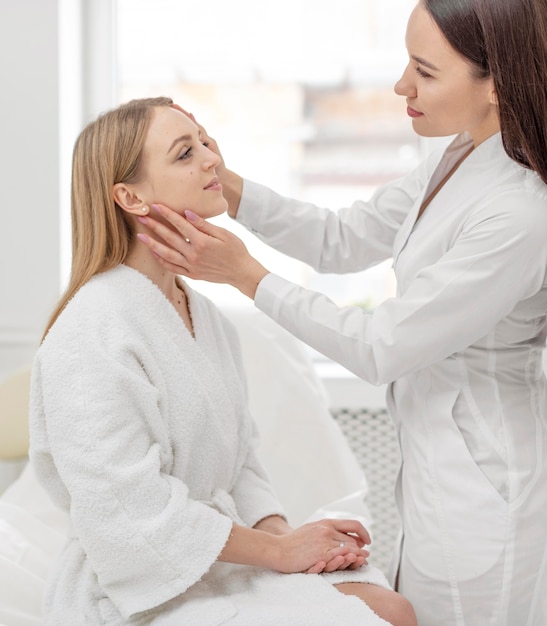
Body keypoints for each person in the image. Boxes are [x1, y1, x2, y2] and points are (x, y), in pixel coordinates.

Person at [136, 1, 547, 625]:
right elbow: (340, 238)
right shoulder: (460, 154)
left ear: (496, 83)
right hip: (439, 470)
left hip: (485, 484)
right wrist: (223, 180)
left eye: (425, 71)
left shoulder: (519, 212)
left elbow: (381, 347)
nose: (400, 85)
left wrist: (246, 275)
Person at [28, 97, 417, 626]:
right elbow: (124, 514)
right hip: (138, 589)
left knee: (393, 608)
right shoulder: (91, 330)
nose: (213, 160)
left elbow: (242, 461)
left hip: (220, 559)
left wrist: (287, 537)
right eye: (186, 152)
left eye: (206, 143)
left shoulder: (203, 314)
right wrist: (279, 553)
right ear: (129, 195)